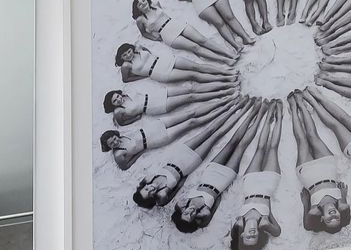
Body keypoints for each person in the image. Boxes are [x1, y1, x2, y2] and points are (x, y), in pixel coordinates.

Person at [127, 102, 256, 207]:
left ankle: (231, 107)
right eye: (150, 194)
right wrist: (186, 172)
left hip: (176, 156)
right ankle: (242, 112)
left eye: (146, 189)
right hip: (188, 165)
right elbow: (178, 187)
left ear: (143, 187)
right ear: (152, 198)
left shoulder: (147, 180)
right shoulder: (163, 193)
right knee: (215, 135)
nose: (151, 189)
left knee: (208, 130)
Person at [170, 102, 269, 233]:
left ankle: (251, 113)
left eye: (186, 214)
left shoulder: (183, 203)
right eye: (192, 216)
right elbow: (216, 203)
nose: (191, 212)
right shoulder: (205, 213)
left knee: (232, 142)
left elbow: (174, 196)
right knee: (241, 146)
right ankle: (260, 115)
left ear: (182, 212)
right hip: (222, 181)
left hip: (209, 174)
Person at [99, 94, 236, 169]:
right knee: (191, 123)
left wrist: (135, 117)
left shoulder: (121, 134)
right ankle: (222, 113)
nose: (115, 142)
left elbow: (122, 121)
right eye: (112, 143)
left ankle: (225, 102)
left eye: (114, 138)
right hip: (155, 140)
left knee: (189, 114)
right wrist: (140, 153)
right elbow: (125, 166)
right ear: (109, 147)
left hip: (152, 127)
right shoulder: (118, 154)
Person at [287, 95, 351, 233]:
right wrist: (344, 196)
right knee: (313, 135)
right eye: (337, 218)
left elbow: (307, 226)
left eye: (329, 220)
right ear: (340, 214)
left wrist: (305, 203)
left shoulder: (314, 211)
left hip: (309, 175)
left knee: (302, 140)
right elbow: (346, 213)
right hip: (327, 169)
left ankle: (293, 108)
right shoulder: (342, 205)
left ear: (322, 218)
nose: (333, 216)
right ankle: (302, 105)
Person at [228, 107, 284, 250]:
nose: (251, 234)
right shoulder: (264, 222)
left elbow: (232, 235)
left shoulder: (239, 222)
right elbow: (277, 232)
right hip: (268, 185)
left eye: (248, 237)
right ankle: (279, 117)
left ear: (241, 235)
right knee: (273, 148)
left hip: (250, 185)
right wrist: (267, 225)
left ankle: (268, 118)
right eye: (254, 238)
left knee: (260, 148)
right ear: (259, 235)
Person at [102, 77, 237, 127]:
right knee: (190, 97)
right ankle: (223, 94)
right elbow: (121, 123)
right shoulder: (120, 111)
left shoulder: (126, 94)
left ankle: (226, 85)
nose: (118, 99)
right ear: (113, 105)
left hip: (156, 95)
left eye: (116, 96)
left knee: (190, 88)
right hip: (154, 106)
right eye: (115, 101)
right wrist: (136, 117)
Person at [115, 40, 233, 85]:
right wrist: (144, 76)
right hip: (157, 73)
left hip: (162, 61)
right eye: (124, 55)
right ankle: (224, 79)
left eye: (129, 51)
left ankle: (226, 72)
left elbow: (149, 53)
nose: (128, 55)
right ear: (122, 58)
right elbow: (125, 79)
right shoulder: (126, 65)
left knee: (196, 66)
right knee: (192, 75)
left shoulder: (139, 49)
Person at [130, 0, 217, 55]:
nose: (143, 3)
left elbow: (163, 14)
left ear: (147, 0)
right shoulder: (140, 19)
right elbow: (144, 33)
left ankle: (224, 53)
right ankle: (222, 59)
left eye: (143, 0)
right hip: (166, 33)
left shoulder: (156, 4)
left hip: (174, 23)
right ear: (138, 9)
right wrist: (155, 38)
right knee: (195, 47)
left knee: (201, 39)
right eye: (140, 4)